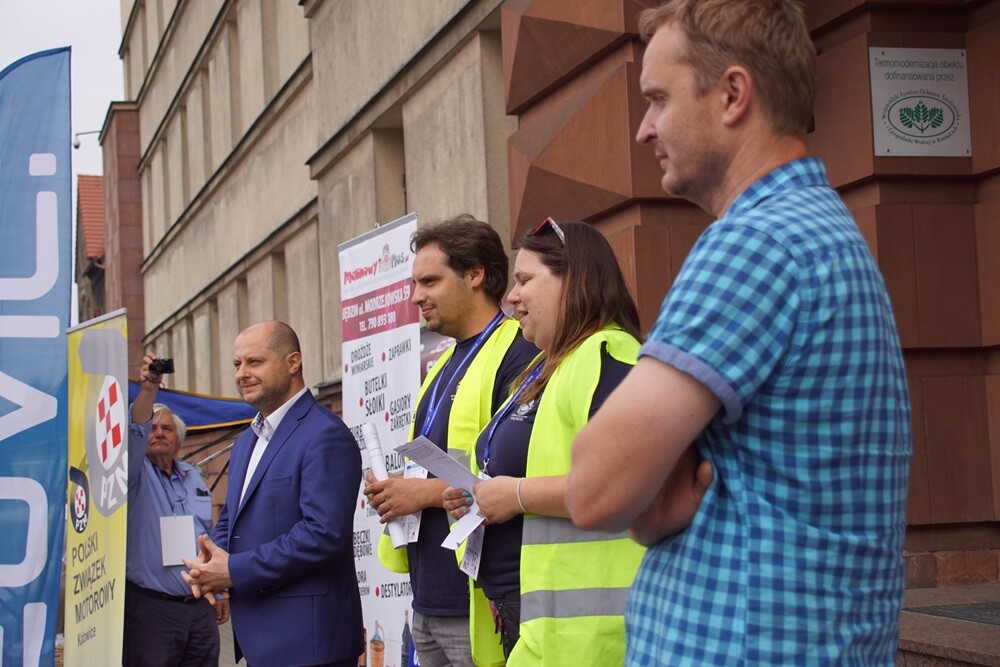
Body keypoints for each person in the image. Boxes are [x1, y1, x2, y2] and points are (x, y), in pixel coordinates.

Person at [565, 1, 912, 664]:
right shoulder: (821, 231)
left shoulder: (756, 241)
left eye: (659, 99)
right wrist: (649, 499)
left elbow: (594, 487)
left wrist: (646, 505)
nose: (644, 130)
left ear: (731, 95)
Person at [443, 219, 646, 665]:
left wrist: (513, 495)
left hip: (595, 638)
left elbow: (623, 486)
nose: (511, 296)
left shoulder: (608, 355)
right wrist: (478, 498)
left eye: (524, 280)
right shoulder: (543, 369)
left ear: (573, 280)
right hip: (541, 624)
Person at [364, 214, 538, 667]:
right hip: (429, 597)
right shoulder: (442, 364)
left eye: (429, 281)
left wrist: (417, 493)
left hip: (477, 601)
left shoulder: (519, 350)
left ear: (475, 274)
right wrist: (397, 486)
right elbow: (444, 464)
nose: (416, 296)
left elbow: (516, 475)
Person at [182, 321, 363, 667]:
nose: (242, 374)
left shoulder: (325, 434)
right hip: (261, 638)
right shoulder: (247, 441)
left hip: (310, 644)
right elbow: (234, 520)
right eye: (237, 365)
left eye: (255, 362)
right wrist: (210, 561)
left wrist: (234, 570)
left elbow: (323, 534)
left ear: (293, 362)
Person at [124, 355, 228, 667]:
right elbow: (134, 430)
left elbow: (206, 537)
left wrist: (220, 593)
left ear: (179, 439)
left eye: (166, 429)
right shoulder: (134, 473)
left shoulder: (194, 477)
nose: (157, 433)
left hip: (199, 608)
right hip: (152, 610)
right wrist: (148, 391)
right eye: (152, 428)